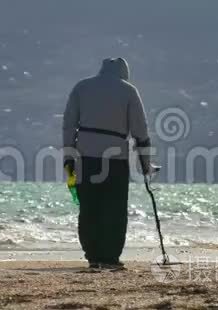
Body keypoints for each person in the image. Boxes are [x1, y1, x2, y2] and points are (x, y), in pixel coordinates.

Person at [62, 57, 157, 269]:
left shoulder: (82, 87)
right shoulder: (129, 91)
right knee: (114, 209)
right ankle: (111, 256)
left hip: (86, 157)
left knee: (89, 208)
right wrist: (146, 162)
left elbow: (68, 125)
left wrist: (68, 156)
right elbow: (140, 131)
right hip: (116, 159)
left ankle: (92, 254)